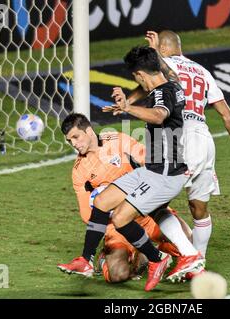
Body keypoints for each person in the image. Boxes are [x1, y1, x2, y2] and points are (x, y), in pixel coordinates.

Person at [65, 46, 204, 292]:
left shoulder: (162, 95)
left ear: (140, 74)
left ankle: (162, 259)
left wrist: (128, 108)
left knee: (120, 218)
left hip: (163, 172)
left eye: (135, 77)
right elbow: (153, 79)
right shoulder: (170, 84)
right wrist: (129, 100)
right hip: (152, 169)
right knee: (103, 203)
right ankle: (85, 261)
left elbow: (160, 115)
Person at [141, 30, 230, 278]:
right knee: (198, 208)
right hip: (204, 139)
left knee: (155, 203)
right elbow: (228, 116)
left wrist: (151, 55)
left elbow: (153, 87)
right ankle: (198, 263)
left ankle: (187, 256)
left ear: (162, 48)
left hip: (180, 136)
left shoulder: (162, 66)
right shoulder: (202, 71)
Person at [56, 113, 192, 283]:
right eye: (70, 141)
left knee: (186, 237)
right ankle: (110, 257)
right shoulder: (79, 171)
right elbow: (86, 214)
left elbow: (147, 160)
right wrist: (115, 206)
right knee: (118, 274)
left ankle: (147, 252)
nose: (74, 144)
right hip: (116, 227)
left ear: (89, 131)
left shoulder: (118, 140)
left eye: (76, 137)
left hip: (146, 214)